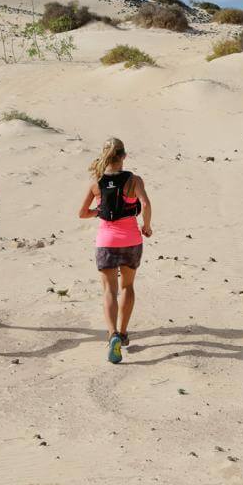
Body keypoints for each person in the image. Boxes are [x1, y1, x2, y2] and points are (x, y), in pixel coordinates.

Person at [78, 137, 152, 364]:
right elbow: (146, 205)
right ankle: (122, 332)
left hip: (106, 241)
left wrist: (98, 211)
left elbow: (82, 213)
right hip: (130, 239)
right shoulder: (134, 180)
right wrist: (146, 226)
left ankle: (111, 335)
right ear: (123, 156)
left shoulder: (96, 183)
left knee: (109, 290)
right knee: (127, 286)